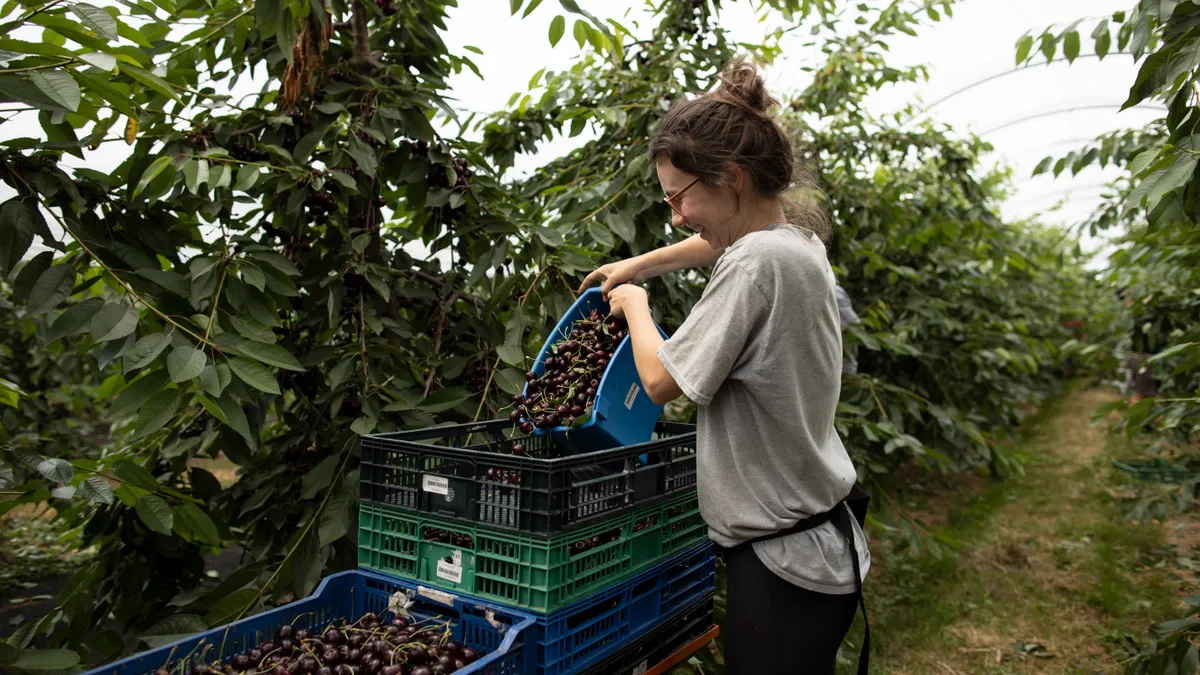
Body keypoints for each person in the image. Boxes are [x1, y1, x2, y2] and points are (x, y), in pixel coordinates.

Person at [579, 56, 870, 675]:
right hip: (817, 543)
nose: (678, 214)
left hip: (782, 565)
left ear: (731, 177)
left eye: (680, 198)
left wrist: (635, 303)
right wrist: (642, 263)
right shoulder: (795, 244)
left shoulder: (753, 267)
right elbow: (722, 241)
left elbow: (659, 382)